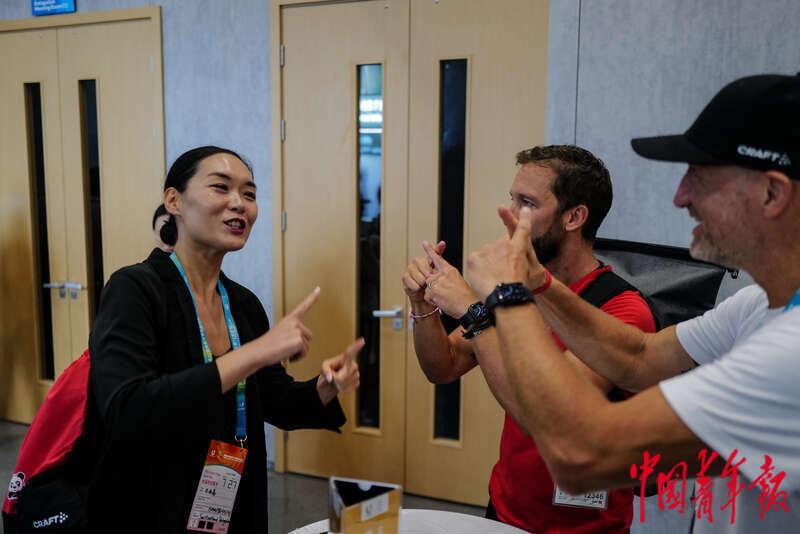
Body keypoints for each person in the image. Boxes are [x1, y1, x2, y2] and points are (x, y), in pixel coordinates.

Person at [464, 74, 800, 532]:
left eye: (699, 176)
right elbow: (639, 356)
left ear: (772, 193)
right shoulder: (755, 305)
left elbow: (582, 454)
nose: (681, 197)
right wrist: (538, 282)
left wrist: (507, 295)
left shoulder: (790, 352)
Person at [86, 146, 362, 533]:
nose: (239, 204)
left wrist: (325, 386)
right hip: (149, 502)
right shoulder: (135, 289)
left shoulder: (242, 304)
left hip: (234, 497)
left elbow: (274, 400)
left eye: (249, 194)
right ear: (174, 201)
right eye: (221, 187)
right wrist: (256, 352)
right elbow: (129, 409)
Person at [403, 145, 656, 532]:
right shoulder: (517, 287)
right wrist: (422, 305)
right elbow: (443, 366)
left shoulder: (621, 310)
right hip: (506, 509)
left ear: (574, 217)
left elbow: (547, 416)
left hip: (583, 527)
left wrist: (473, 309)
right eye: (512, 199)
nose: (510, 215)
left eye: (527, 203)